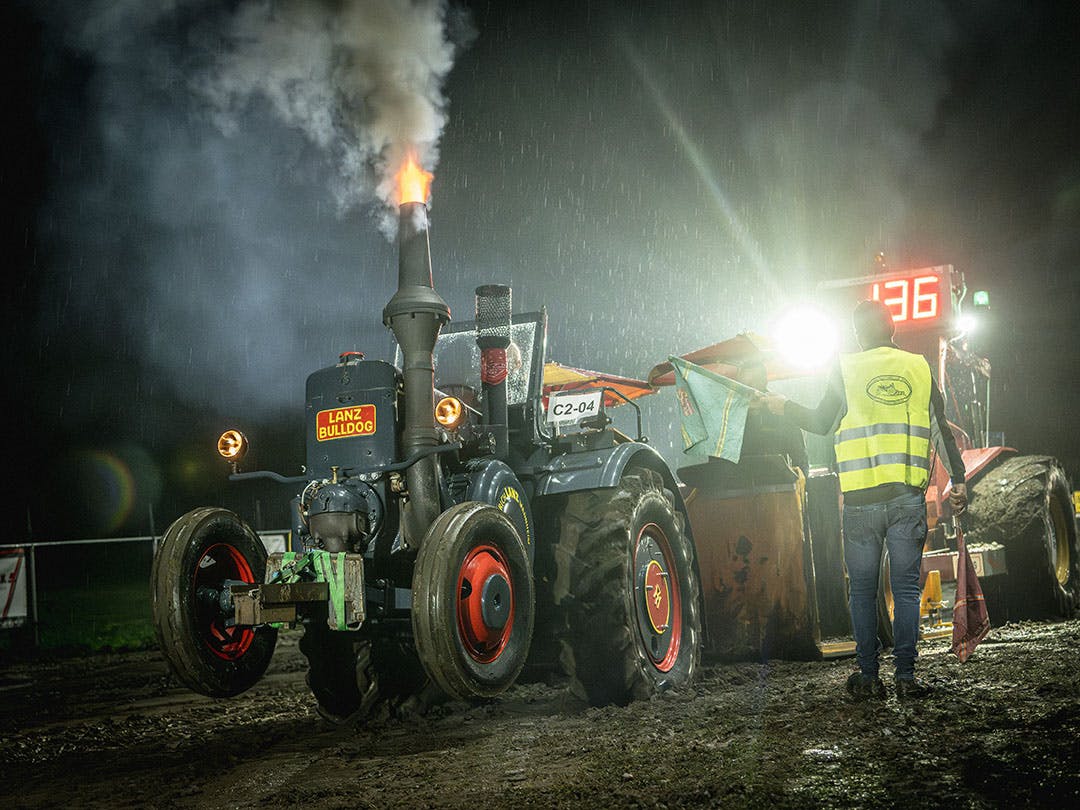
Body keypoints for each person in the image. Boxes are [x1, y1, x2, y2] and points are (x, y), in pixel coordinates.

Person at [758, 300, 967, 701]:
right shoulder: (918, 367)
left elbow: (821, 423)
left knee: (863, 592)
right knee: (906, 591)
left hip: (860, 504)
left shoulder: (845, 368)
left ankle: (869, 676)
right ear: (892, 328)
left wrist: (781, 405)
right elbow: (941, 429)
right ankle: (905, 676)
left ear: (857, 334)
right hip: (906, 499)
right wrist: (958, 481)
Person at [736, 359, 809, 477]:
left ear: (764, 381)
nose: (751, 389)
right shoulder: (731, 418)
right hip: (739, 486)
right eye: (745, 384)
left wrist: (799, 483)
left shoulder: (782, 415)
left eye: (755, 382)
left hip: (778, 486)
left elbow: (801, 461)